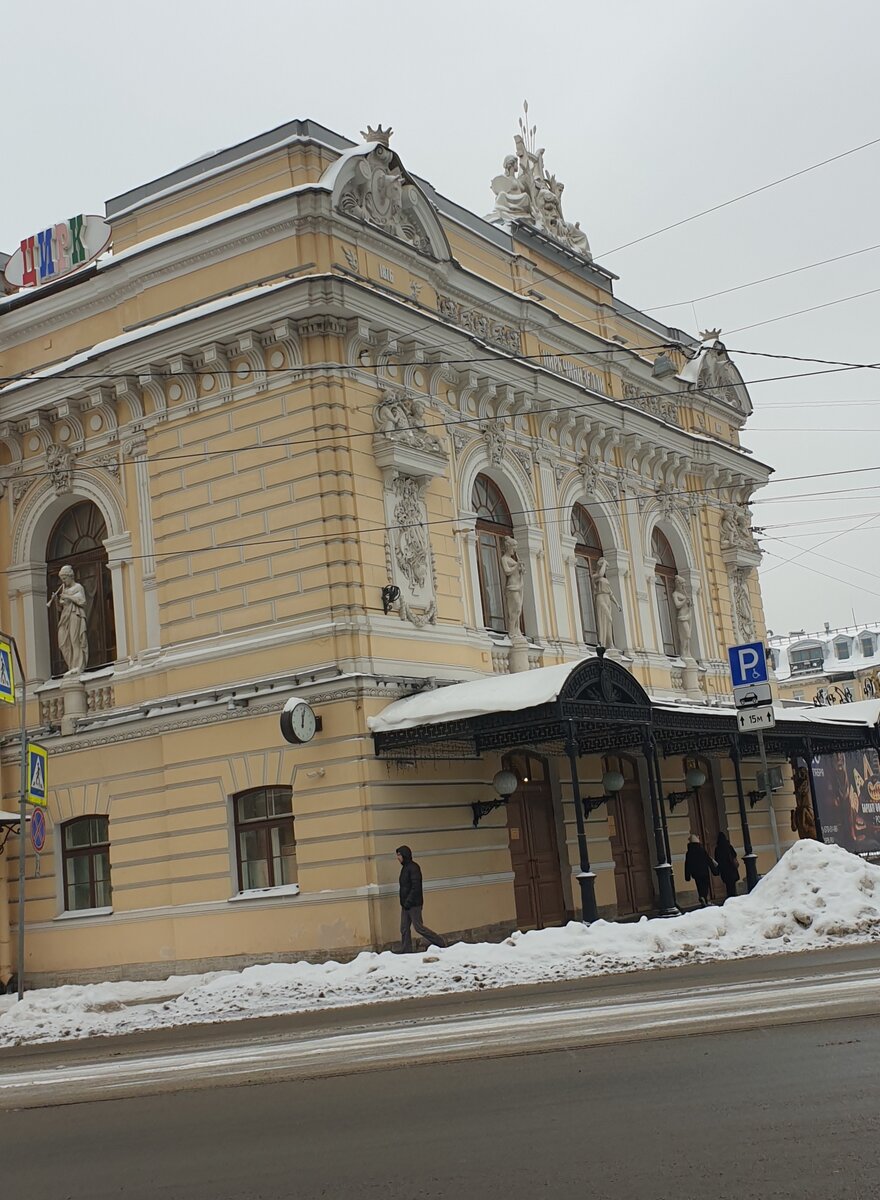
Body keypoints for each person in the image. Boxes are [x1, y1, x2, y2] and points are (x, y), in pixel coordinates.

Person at [396, 846, 446, 953]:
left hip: (414, 904)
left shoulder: (414, 868)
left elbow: (416, 887)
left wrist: (408, 901)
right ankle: (406, 950)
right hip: (405, 904)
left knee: (419, 927)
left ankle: (440, 942)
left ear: (405, 855)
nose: (398, 857)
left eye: (399, 855)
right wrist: (403, 902)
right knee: (404, 928)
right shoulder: (404, 868)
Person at [53, 564, 89, 674]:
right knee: (63, 643)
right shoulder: (65, 590)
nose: (63, 582)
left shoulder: (78, 587)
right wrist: (55, 600)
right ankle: (71, 665)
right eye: (62, 579)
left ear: (70, 576)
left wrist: (68, 597)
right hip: (65, 617)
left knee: (75, 640)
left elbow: (82, 601)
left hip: (75, 614)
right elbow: (61, 607)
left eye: (64, 579)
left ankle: (77, 666)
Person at [683, 834, 717, 907]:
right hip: (704, 871)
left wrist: (687, 876)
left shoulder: (689, 853)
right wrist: (715, 871)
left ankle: (702, 897)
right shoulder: (701, 850)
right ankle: (705, 898)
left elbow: (687, 864)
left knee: (699, 885)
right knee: (705, 885)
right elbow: (709, 861)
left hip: (695, 873)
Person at [714, 831, 740, 900]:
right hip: (731, 868)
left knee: (728, 885)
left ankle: (730, 897)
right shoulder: (729, 846)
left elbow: (717, 860)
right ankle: (734, 897)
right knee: (732, 885)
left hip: (724, 870)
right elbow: (734, 854)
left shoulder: (717, 849)